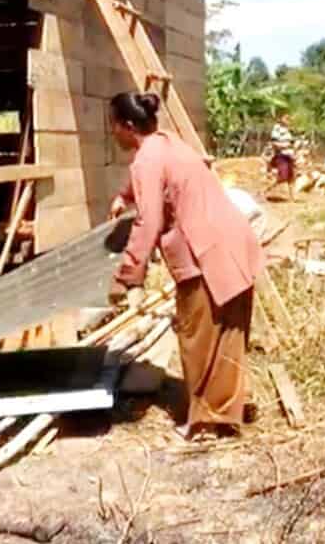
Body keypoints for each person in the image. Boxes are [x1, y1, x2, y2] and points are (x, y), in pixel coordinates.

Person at [107, 92, 264, 440]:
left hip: (205, 253)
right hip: (234, 242)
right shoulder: (168, 143)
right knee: (226, 336)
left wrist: (130, 276)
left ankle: (207, 424)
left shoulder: (147, 159)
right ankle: (225, 413)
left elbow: (148, 221)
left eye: (113, 125)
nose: (112, 133)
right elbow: (159, 180)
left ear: (128, 126)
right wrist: (125, 195)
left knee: (198, 337)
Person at [265, 114, 296, 201]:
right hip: (281, 155)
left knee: (291, 177)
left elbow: (292, 142)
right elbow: (274, 143)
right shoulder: (276, 129)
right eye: (286, 118)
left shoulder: (289, 130)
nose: (288, 120)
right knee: (282, 177)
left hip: (289, 155)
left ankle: (292, 198)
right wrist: (285, 146)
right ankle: (266, 190)